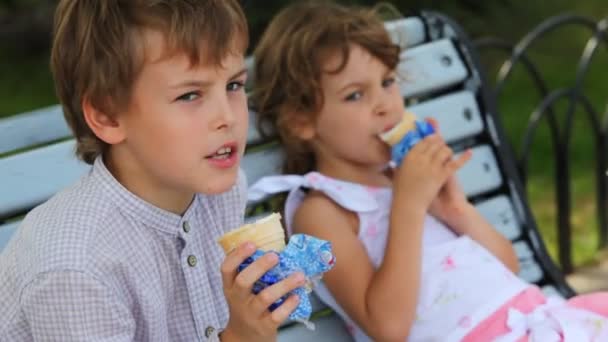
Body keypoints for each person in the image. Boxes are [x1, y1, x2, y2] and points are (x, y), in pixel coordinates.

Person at [249, 2, 608, 341]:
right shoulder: (323, 211)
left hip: (535, 321)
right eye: (355, 95)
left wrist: (455, 210)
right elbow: (388, 326)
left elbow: (508, 268)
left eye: (388, 82)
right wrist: (409, 204)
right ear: (301, 121)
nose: (384, 105)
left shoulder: (402, 177)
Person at [0, 1, 304, 341]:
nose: (229, 117)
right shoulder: (76, 266)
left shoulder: (221, 192)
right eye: (190, 95)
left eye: (233, 85)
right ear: (108, 116)